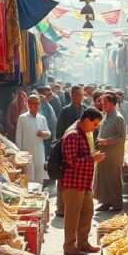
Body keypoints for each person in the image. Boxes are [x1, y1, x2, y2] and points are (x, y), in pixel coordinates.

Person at [60, 107, 105, 255]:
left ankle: (83, 242)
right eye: (95, 124)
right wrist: (92, 159)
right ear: (87, 120)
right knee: (72, 216)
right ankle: (69, 245)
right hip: (73, 183)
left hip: (83, 182)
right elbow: (71, 161)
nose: (95, 128)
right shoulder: (73, 135)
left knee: (87, 212)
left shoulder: (82, 132)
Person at [54, 85, 86, 217]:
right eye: (77, 95)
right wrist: (60, 147)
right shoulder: (65, 110)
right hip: (67, 147)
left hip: (81, 147)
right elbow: (59, 130)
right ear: (72, 96)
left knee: (78, 177)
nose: (79, 97)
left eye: (81, 95)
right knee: (63, 177)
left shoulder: (85, 109)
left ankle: (78, 206)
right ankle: (61, 207)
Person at [94, 94, 128, 212]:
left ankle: (117, 204)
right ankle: (106, 202)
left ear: (113, 104)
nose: (103, 105)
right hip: (103, 152)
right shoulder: (106, 117)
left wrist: (107, 141)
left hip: (114, 154)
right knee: (103, 178)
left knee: (113, 179)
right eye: (102, 103)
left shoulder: (118, 118)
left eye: (105, 103)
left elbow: (122, 137)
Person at [15, 94, 51, 184]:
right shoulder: (22, 118)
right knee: (29, 181)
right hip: (27, 155)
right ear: (28, 104)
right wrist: (20, 155)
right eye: (34, 103)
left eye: (38, 103)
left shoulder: (41, 118)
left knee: (39, 182)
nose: (36, 105)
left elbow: (49, 133)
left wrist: (43, 133)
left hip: (39, 155)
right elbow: (18, 139)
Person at [37, 86, 58, 156]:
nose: (49, 96)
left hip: (49, 136)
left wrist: (54, 137)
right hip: (41, 137)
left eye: (50, 94)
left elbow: (53, 122)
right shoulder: (38, 106)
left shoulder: (48, 105)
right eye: (47, 94)